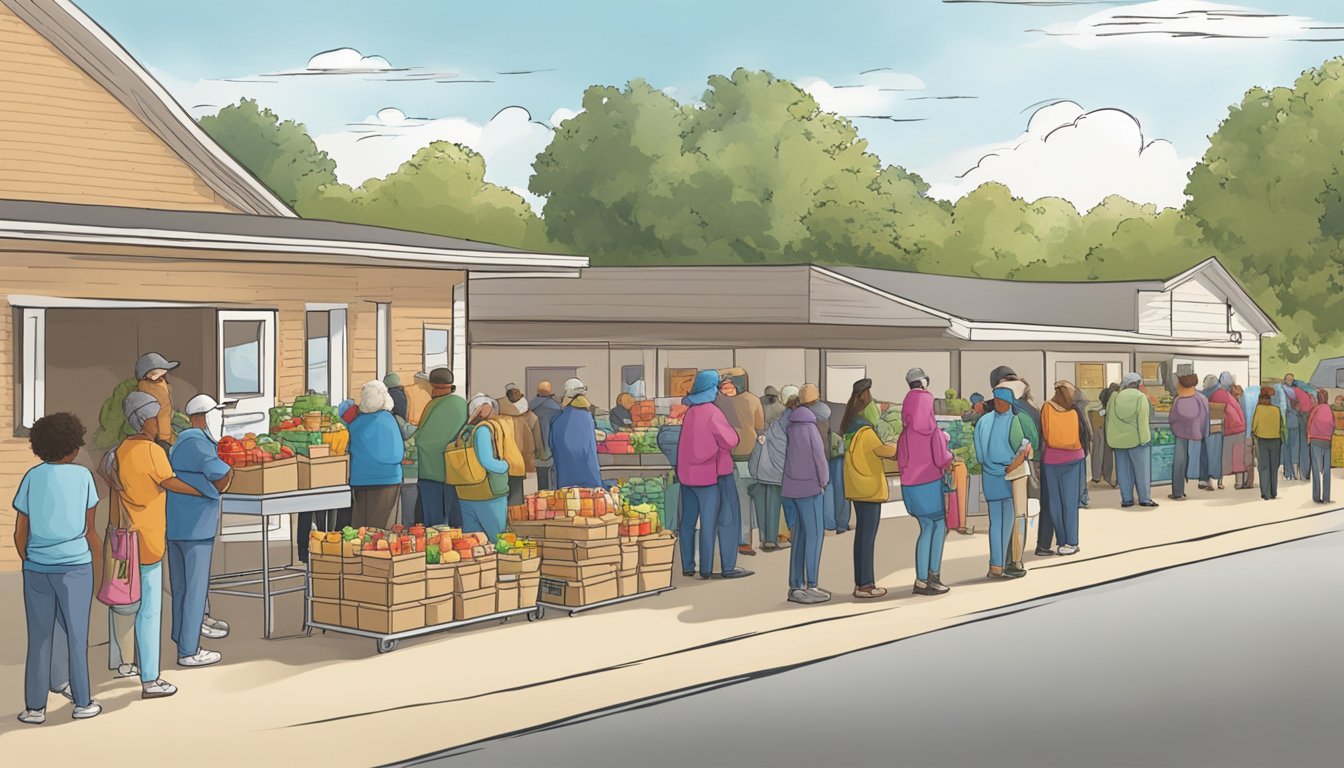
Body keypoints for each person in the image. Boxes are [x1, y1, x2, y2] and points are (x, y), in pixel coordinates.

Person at [15, 413, 103, 724]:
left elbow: (19, 531)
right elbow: (90, 530)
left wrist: (29, 560)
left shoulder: (31, 477)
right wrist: (99, 566)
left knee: (39, 638)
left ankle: (35, 708)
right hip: (75, 567)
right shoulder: (83, 478)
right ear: (72, 447)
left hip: (37, 568)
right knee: (77, 636)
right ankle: (82, 702)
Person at [117, 391, 205, 699]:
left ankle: (122, 663)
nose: (160, 421)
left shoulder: (121, 451)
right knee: (149, 611)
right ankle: (151, 680)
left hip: (125, 539)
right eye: (156, 416)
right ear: (145, 420)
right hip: (149, 542)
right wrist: (202, 491)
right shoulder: (152, 452)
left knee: (125, 605)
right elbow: (170, 482)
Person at [165, 395, 234, 669]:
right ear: (203, 416)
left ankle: (181, 637)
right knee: (195, 589)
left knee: (181, 588)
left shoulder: (181, 442)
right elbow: (219, 474)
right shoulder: (197, 442)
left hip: (177, 525)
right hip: (196, 527)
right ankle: (189, 651)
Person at [677, 370, 750, 579]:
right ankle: (707, 569)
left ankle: (688, 566)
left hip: (687, 476)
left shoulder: (690, 412)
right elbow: (730, 441)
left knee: (688, 523)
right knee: (712, 522)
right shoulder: (712, 412)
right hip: (710, 476)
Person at [897, 370, 954, 596]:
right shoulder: (934, 433)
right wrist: (950, 454)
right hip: (929, 483)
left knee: (924, 528)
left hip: (909, 486)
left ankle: (921, 580)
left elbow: (900, 459)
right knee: (939, 526)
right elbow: (942, 459)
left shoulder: (905, 433)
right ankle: (933, 575)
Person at [841, 378, 894, 598]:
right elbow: (885, 451)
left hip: (856, 487)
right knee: (867, 537)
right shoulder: (866, 432)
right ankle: (865, 585)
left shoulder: (849, 427)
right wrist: (898, 447)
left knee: (861, 535)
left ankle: (860, 582)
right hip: (869, 488)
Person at [975, 386, 1033, 580]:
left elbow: (980, 454)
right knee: (1007, 521)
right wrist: (1012, 463)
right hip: (1007, 475)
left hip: (989, 476)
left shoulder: (983, 421)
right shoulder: (1014, 421)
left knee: (995, 522)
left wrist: (989, 465)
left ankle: (995, 565)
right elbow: (1023, 446)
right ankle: (1004, 563)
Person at [782, 396, 830, 604]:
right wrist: (824, 480)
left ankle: (795, 585)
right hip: (810, 487)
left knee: (800, 536)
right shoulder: (810, 428)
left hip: (791, 487)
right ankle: (812, 584)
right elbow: (819, 456)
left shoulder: (790, 426)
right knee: (815, 535)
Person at [715, 368, 765, 557]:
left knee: (737, 501)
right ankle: (750, 539)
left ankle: (741, 540)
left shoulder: (719, 403)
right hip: (750, 455)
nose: (725, 390)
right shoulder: (753, 400)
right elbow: (761, 427)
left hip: (732, 456)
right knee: (748, 500)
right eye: (723, 387)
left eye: (727, 387)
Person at [414, 368, 468, 527]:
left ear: (435, 386)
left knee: (433, 522)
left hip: (431, 471)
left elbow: (424, 439)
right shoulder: (461, 404)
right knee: (454, 520)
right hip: (455, 470)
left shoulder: (436, 405)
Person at [347, 380, 404, 529]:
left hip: (359, 481)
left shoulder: (356, 423)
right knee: (380, 531)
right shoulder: (387, 420)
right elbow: (396, 455)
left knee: (359, 529)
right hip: (386, 480)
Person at [456, 395, 511, 541]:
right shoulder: (483, 430)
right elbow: (487, 461)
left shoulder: (465, 431)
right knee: (497, 539)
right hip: (488, 493)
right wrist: (505, 465)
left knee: (473, 542)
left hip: (465, 492)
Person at [1042, 382, 1087, 556]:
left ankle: (1061, 541)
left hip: (1052, 460)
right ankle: (1072, 542)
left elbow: (1046, 433)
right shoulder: (1074, 410)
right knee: (1070, 502)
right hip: (1074, 458)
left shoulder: (1047, 407)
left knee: (1055, 503)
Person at [749, 385, 792, 552]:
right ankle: (770, 539)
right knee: (773, 505)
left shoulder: (758, 407)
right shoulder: (782, 416)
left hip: (761, 469)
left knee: (762, 505)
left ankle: (763, 538)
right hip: (774, 471)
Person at [1108, 373, 1159, 509]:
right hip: (1137, 439)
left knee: (1123, 471)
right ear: (1138, 384)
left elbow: (1110, 420)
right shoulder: (1141, 397)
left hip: (1118, 441)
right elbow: (1142, 421)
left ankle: (1127, 499)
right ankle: (1144, 499)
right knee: (1142, 471)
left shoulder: (1114, 397)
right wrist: (1145, 440)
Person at [549, 380, 604, 489]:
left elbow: (552, 442)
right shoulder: (588, 417)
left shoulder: (559, 419)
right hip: (588, 469)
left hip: (566, 469)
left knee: (568, 499)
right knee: (589, 499)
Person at [1167, 374, 1209, 501]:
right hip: (1197, 434)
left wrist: (1175, 428)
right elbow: (1205, 418)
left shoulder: (1178, 400)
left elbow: (1172, 418)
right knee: (1198, 459)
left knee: (1179, 462)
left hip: (1180, 434)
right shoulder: (1201, 398)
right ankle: (1202, 481)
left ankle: (1178, 492)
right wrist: (1204, 433)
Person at [503, 384, 548, 495]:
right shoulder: (531, 416)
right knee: (529, 496)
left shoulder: (501, 415)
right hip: (528, 461)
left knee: (511, 496)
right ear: (522, 395)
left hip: (507, 460)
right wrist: (541, 454)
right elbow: (538, 440)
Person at [492, 390, 530, 516]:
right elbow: (530, 442)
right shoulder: (527, 417)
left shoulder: (492, 422)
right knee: (515, 507)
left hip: (500, 465)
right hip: (517, 462)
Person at [135, 352, 179, 450]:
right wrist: (164, 438)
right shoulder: (150, 389)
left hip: (163, 435)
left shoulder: (161, 384)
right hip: (158, 438)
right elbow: (162, 415)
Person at [1209, 373, 1243, 491]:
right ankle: (1235, 482)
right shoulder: (1228, 396)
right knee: (1236, 457)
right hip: (1235, 428)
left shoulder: (1216, 395)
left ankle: (1219, 481)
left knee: (1221, 456)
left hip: (1223, 429)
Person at [1252, 387, 1285, 500]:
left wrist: (1254, 433)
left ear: (1260, 400)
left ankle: (1266, 493)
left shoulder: (1259, 409)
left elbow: (1254, 425)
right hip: (1276, 440)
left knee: (1264, 467)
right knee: (1273, 467)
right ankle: (1273, 492)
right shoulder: (1276, 409)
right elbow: (1280, 425)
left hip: (1262, 440)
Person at [530, 381, 563, 490]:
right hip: (551, 452)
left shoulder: (529, 407)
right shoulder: (556, 409)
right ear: (550, 391)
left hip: (533, 453)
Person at [1307, 389, 1334, 504]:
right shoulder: (1329, 409)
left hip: (1315, 440)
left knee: (1316, 470)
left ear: (1318, 398)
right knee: (1326, 469)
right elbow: (1333, 425)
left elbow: (1309, 423)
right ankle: (1327, 497)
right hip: (1327, 441)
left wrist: (1309, 436)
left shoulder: (1315, 409)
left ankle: (1316, 496)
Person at [1274, 374, 1302, 480]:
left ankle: (1288, 473)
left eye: (1291, 379)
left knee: (1286, 448)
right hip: (1294, 423)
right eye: (1288, 379)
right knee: (1293, 448)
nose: (1290, 380)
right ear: (1285, 379)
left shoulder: (1281, 390)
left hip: (1286, 423)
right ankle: (1294, 473)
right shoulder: (1296, 391)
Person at [1092, 384, 1119, 488]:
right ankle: (1110, 477)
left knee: (1101, 453)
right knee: (1110, 456)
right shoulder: (1113, 403)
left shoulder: (1100, 411)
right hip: (1112, 432)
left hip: (1103, 430)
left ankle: (1100, 476)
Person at [1225, 384, 1251, 489]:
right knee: (1242, 458)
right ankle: (1243, 481)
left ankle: (1240, 482)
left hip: (1236, 431)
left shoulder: (1233, 402)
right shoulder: (1244, 401)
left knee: (1238, 458)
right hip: (1244, 431)